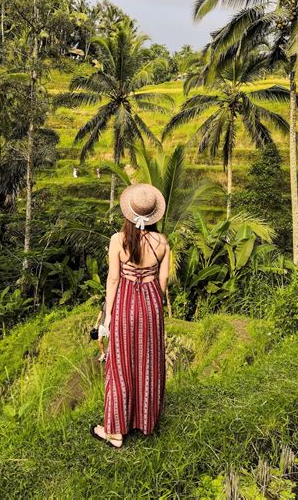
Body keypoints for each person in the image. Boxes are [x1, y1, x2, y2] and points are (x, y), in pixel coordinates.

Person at [90, 183, 170, 449]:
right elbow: (163, 282)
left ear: (129, 212)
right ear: (153, 215)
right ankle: (144, 422)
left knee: (121, 364)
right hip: (150, 305)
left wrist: (108, 316)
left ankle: (115, 431)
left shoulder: (117, 240)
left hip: (125, 302)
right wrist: (151, 303)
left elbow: (113, 279)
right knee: (148, 361)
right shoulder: (163, 242)